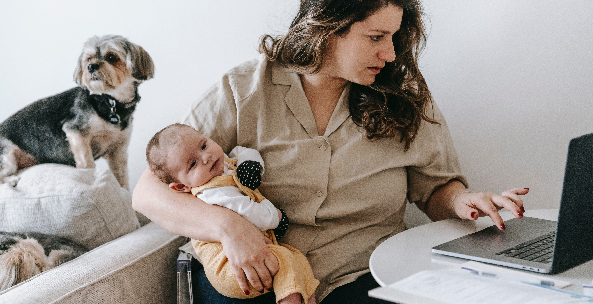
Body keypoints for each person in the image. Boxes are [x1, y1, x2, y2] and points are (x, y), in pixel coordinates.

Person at [132, 0, 529, 302]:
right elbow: (148, 192)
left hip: (360, 274)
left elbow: (435, 189)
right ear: (327, 28)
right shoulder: (244, 88)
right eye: (375, 37)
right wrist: (229, 227)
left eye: (394, 37)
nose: (390, 54)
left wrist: (464, 201)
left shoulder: (405, 100)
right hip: (253, 273)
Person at [145, 123, 318, 304]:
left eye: (204, 145)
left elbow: (242, 152)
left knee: (297, 258)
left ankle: (309, 299)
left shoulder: (222, 164)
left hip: (254, 253)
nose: (206, 157)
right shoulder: (211, 192)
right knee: (285, 261)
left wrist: (252, 165)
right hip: (229, 268)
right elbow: (250, 212)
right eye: (193, 164)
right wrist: (275, 217)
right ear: (182, 186)